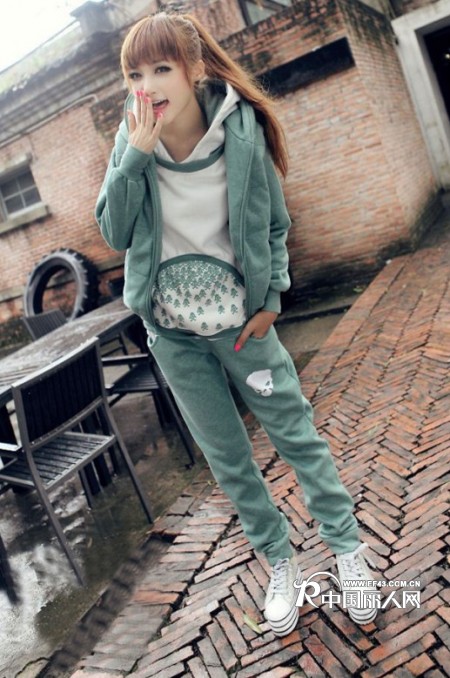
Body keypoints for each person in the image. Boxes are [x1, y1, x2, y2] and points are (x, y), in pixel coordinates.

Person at [96, 10, 379, 636]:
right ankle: (280, 561)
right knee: (228, 459)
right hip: (173, 335)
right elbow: (114, 232)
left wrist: (273, 297)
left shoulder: (241, 131)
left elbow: (274, 224)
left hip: (243, 327)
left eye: (161, 68)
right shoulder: (131, 140)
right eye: (134, 74)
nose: (147, 85)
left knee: (296, 437)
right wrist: (135, 156)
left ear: (194, 69)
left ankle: (347, 550)